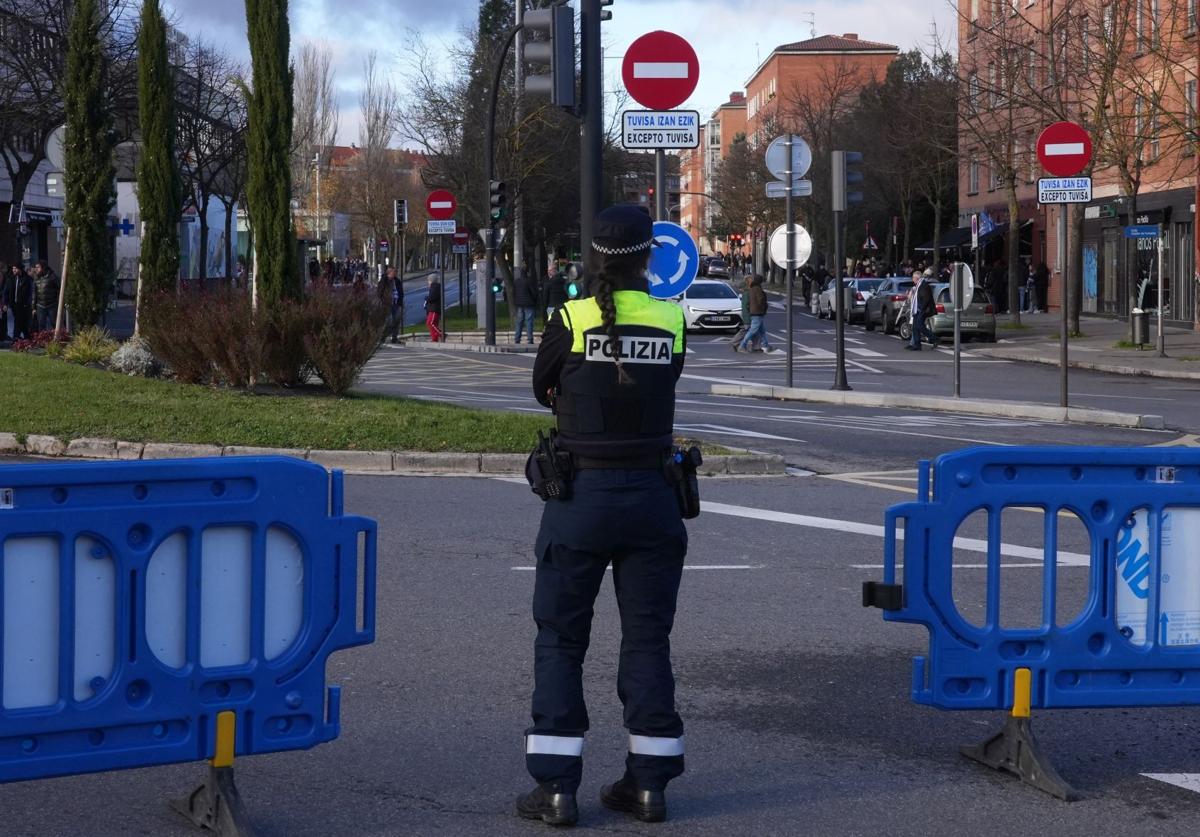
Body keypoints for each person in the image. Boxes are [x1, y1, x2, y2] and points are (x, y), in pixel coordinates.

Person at [517, 205, 689, 828]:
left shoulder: (570, 317)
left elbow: (543, 387)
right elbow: (663, 380)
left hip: (579, 499)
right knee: (648, 639)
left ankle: (556, 789)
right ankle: (649, 786)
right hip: (653, 497)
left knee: (560, 639)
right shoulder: (671, 317)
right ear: (650, 256)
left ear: (592, 257)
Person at [737, 274, 772, 353]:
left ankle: (766, 345)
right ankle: (742, 345)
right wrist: (764, 307)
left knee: (762, 331)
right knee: (752, 331)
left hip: (754, 312)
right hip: (758, 312)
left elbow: (749, 302)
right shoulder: (758, 289)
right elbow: (761, 300)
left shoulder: (752, 289)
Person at [906, 270, 937, 351]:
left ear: (917, 278)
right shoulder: (918, 285)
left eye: (913, 277)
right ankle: (917, 345)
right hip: (917, 309)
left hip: (921, 309)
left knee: (920, 326)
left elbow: (926, 299)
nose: (912, 279)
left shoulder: (923, 285)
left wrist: (922, 309)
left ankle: (935, 339)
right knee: (915, 327)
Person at [379, 266, 405, 343]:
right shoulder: (384, 281)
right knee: (388, 321)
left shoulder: (397, 281)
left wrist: (400, 302)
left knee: (396, 320)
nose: (395, 273)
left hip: (396, 303)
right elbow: (380, 291)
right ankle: (382, 337)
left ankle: (394, 337)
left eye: (395, 272)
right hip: (387, 304)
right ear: (389, 273)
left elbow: (401, 292)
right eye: (394, 272)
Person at [31, 260, 59, 332]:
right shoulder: (36, 278)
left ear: (43, 268)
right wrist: (33, 307)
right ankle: (42, 341)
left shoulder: (52, 276)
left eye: (38, 267)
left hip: (51, 304)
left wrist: (58, 301)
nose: (36, 269)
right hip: (40, 305)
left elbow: (59, 288)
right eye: (35, 267)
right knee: (41, 325)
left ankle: (58, 339)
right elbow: (34, 293)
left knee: (55, 323)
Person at [8, 262, 33, 340]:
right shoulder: (12, 278)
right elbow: (9, 291)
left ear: (19, 269)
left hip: (23, 305)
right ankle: (27, 337)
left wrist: (27, 303)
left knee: (18, 321)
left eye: (15, 268)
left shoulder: (27, 279)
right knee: (21, 322)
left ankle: (16, 337)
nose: (13, 270)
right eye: (13, 268)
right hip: (14, 304)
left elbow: (30, 292)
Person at [514, 269, 539, 345]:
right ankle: (530, 339)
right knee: (529, 321)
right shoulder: (529, 281)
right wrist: (535, 300)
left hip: (519, 304)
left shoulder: (517, 281)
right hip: (529, 304)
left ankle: (517, 338)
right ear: (527, 273)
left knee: (519, 321)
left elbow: (514, 292)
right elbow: (534, 292)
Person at [424, 275, 443, 342]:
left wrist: (426, 298)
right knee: (433, 323)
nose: (428, 282)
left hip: (434, 308)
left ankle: (440, 333)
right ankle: (434, 338)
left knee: (430, 323)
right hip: (433, 308)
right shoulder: (435, 287)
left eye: (428, 280)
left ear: (431, 280)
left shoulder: (435, 287)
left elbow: (432, 297)